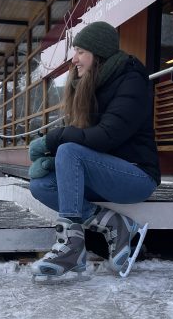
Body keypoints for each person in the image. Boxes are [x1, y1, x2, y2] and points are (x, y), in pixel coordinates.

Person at [28, 21, 160, 281]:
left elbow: (107, 136)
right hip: (104, 172)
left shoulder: (131, 80)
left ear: (97, 53)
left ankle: (71, 245)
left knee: (68, 150)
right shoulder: (91, 83)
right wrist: (53, 161)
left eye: (80, 52)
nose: (74, 59)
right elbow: (83, 138)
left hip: (136, 175)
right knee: (41, 185)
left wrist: (52, 140)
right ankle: (115, 224)